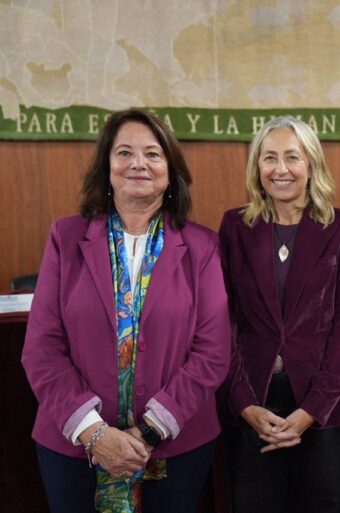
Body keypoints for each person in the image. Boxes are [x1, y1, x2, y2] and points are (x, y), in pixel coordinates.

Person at [22, 109, 232, 513]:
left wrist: (150, 431)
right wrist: (95, 434)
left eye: (153, 154)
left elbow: (213, 350)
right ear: (107, 166)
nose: (138, 163)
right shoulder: (65, 238)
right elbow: (41, 349)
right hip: (74, 445)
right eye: (124, 152)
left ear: (171, 170)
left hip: (175, 443)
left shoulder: (202, 246)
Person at [217, 116, 340, 513]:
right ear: (256, 168)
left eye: (292, 157)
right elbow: (223, 319)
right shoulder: (234, 226)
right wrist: (243, 402)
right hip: (251, 402)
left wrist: (311, 410)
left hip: (324, 405)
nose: (280, 169)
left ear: (311, 165)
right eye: (269, 158)